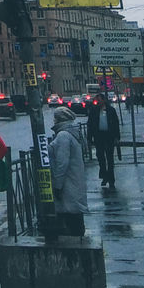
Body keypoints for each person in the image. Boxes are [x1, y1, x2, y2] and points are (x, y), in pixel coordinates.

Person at [49, 105, 88, 237]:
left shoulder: (63, 136)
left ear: (59, 119)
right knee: (75, 215)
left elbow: (62, 163)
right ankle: (79, 241)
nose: (53, 121)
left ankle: (75, 247)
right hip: (75, 179)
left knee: (70, 217)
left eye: (55, 118)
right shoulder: (73, 132)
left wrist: (57, 185)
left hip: (67, 183)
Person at [86, 92, 120, 189]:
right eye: (97, 100)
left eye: (99, 100)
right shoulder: (94, 111)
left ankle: (111, 179)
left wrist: (117, 137)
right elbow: (90, 125)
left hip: (109, 136)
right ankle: (104, 176)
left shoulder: (111, 110)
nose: (98, 102)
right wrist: (89, 138)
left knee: (110, 158)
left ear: (104, 100)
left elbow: (115, 124)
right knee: (100, 157)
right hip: (99, 136)